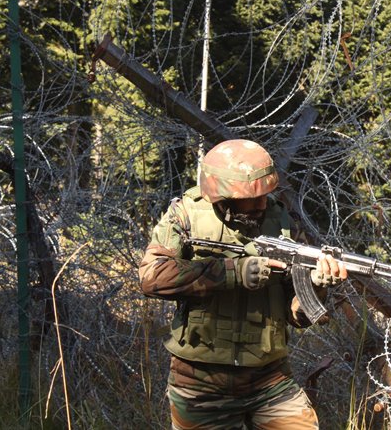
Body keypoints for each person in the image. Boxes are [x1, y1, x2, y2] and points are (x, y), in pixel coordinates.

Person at [139, 139, 347, 429]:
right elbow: (152, 277)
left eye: (265, 194)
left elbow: (296, 315)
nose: (262, 203)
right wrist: (232, 273)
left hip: (270, 379)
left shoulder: (281, 222)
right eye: (251, 196)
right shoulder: (186, 215)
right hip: (200, 384)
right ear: (221, 195)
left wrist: (315, 285)